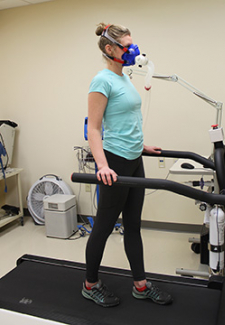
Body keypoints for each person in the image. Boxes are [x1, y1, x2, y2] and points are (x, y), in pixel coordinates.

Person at [82, 22, 173, 307]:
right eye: (127, 45)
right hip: (115, 163)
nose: (134, 50)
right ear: (110, 49)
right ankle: (90, 284)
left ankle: (141, 285)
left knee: (133, 226)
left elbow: (125, 120)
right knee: (104, 227)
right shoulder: (102, 80)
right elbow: (94, 129)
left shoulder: (125, 78)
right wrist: (102, 166)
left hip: (134, 159)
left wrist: (141, 146)